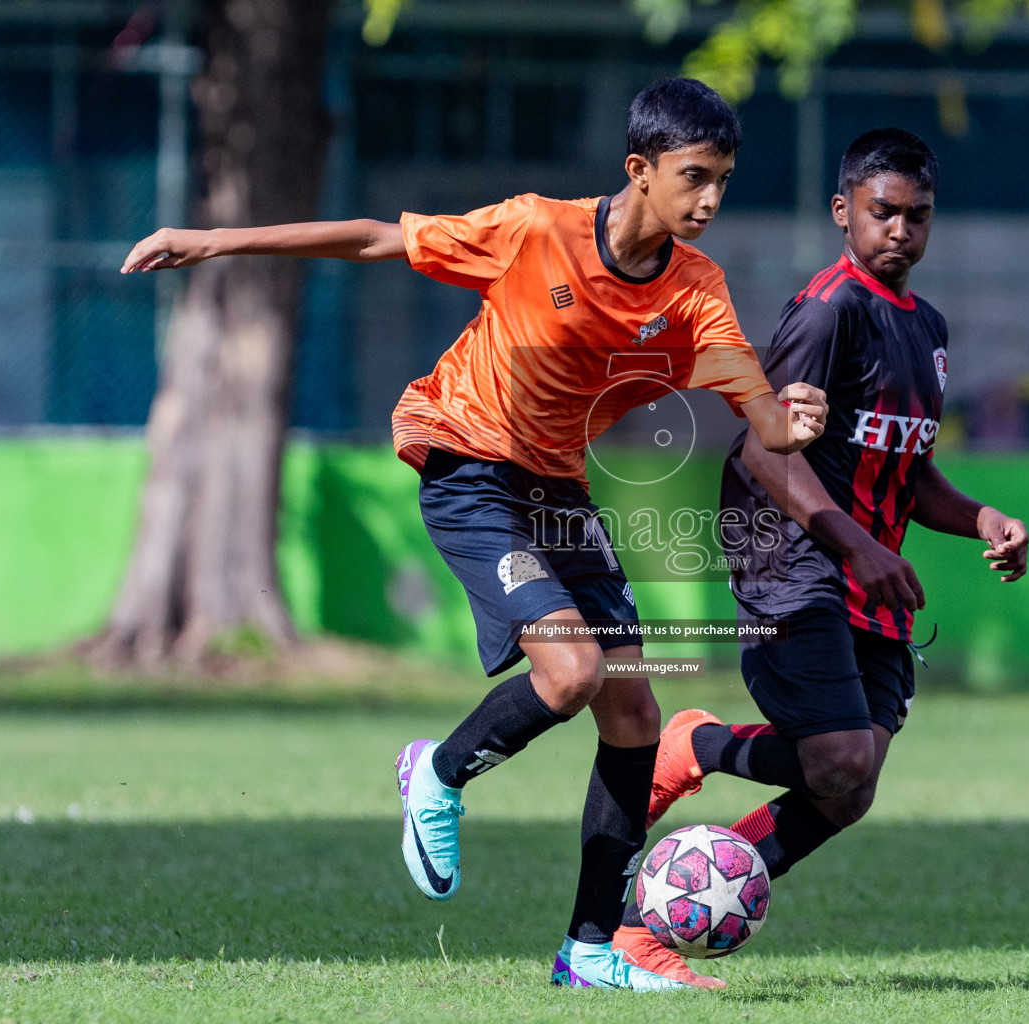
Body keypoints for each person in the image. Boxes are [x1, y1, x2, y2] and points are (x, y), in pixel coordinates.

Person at [121, 78, 829, 992]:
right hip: (467, 466)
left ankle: (586, 953)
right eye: (694, 176)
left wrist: (793, 419)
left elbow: (760, 413)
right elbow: (378, 237)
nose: (710, 200)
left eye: (724, 179)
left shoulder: (697, 291)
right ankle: (439, 770)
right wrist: (214, 239)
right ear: (638, 170)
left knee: (634, 715)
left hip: (558, 490)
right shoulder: (537, 231)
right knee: (572, 674)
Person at [612, 127, 1029, 983]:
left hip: (864, 572)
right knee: (837, 760)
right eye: (884, 213)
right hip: (790, 559)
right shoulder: (829, 310)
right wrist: (858, 544)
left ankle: (659, 913)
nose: (901, 231)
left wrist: (982, 515)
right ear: (845, 212)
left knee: (851, 788)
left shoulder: (931, 329)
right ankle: (695, 754)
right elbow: (767, 452)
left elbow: (905, 469)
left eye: (918, 217)